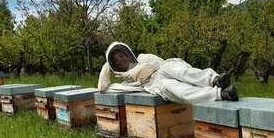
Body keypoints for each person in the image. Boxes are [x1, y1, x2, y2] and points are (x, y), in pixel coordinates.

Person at [97, 42, 238, 104]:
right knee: (180, 91)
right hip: (154, 84)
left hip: (163, 69)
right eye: (116, 61)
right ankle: (222, 94)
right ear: (114, 66)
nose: (121, 61)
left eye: (121, 56)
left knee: (181, 71)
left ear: (127, 53)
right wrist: (106, 66)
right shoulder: (125, 82)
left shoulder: (142, 57)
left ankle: (215, 80)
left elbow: (161, 63)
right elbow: (103, 88)